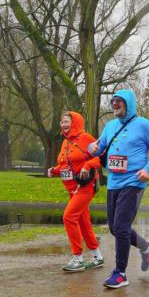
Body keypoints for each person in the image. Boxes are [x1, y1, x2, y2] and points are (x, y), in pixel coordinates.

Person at [88, 90, 149, 289]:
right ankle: (147, 248)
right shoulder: (110, 125)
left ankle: (120, 273)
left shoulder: (144, 125)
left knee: (121, 227)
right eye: (113, 102)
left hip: (134, 181)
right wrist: (93, 148)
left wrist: (148, 169)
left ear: (128, 104)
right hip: (113, 181)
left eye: (119, 102)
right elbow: (100, 145)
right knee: (115, 229)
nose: (115, 105)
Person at [47, 111, 104, 273]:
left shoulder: (86, 138)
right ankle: (97, 256)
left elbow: (102, 156)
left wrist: (88, 166)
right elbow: (66, 165)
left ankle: (78, 258)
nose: (64, 125)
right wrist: (55, 170)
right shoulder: (65, 142)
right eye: (62, 122)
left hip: (86, 186)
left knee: (69, 217)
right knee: (83, 222)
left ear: (76, 123)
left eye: (67, 122)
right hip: (72, 189)